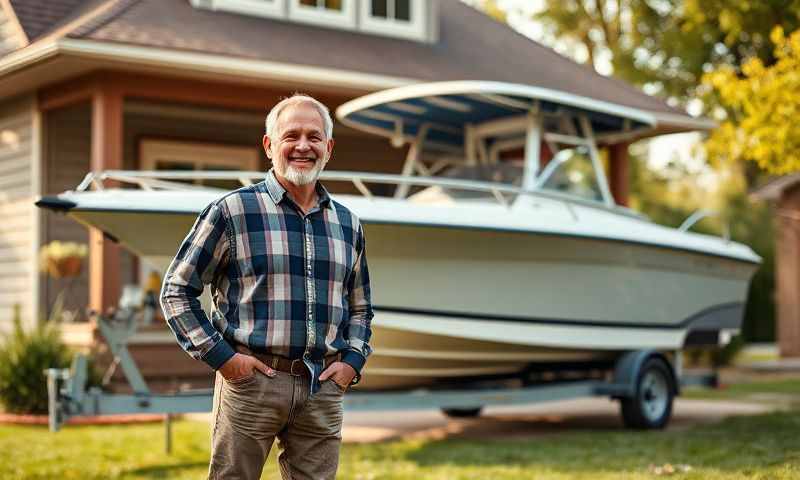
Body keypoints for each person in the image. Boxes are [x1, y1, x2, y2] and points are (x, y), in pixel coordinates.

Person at [160, 94, 373, 480]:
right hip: (251, 385)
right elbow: (177, 290)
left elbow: (359, 306)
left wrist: (351, 363)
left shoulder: (348, 224)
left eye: (314, 136)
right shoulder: (232, 212)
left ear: (329, 147)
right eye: (291, 135)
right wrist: (225, 360)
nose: (303, 146)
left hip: (321, 389)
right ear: (269, 145)